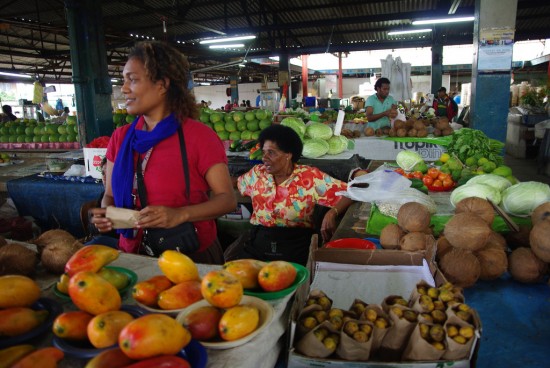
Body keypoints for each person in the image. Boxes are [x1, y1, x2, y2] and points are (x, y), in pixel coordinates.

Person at [90, 40, 237, 264]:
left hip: (189, 257)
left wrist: (180, 214)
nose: (124, 88)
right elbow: (109, 195)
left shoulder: (199, 137)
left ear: (162, 85)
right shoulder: (120, 138)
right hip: (133, 254)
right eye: (123, 80)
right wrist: (109, 215)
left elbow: (227, 200)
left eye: (133, 79)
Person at [233, 124, 353, 266]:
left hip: (295, 243)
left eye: (271, 152)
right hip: (259, 241)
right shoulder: (257, 173)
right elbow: (237, 183)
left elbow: (350, 192)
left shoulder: (309, 177)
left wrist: (332, 213)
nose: (264, 158)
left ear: (288, 155)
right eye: (263, 152)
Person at [85, 157, 119, 248]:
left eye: (109, 174)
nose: (104, 178)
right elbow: (93, 230)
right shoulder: (104, 196)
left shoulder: (131, 198)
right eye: (103, 173)